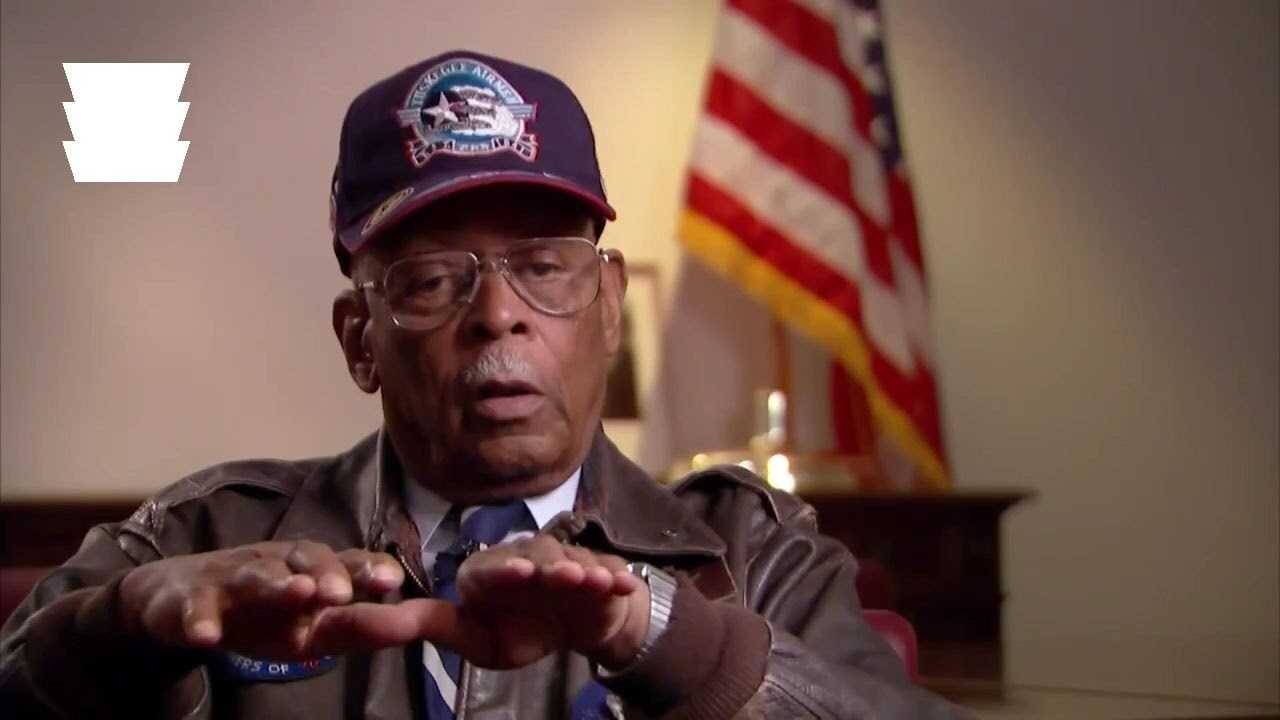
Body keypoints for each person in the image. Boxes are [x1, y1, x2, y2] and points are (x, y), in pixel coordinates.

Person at [0, 50, 965, 719]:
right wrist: (118, 637)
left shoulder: (753, 549)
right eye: (430, 281)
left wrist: (668, 640)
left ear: (608, 305)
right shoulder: (209, 537)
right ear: (359, 340)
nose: (498, 314)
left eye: (544, 267)